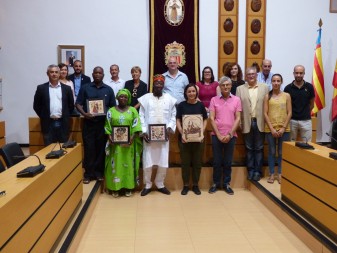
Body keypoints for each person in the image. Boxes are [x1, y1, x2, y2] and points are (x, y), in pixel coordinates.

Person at [75, 66, 116, 184]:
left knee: (100, 149)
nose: (98, 75)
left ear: (103, 75)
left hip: (103, 124)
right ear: (92, 74)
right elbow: (78, 104)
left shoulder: (108, 90)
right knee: (89, 149)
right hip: (89, 124)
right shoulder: (85, 88)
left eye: (100, 73)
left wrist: (106, 112)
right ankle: (88, 174)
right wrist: (84, 114)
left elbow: (113, 107)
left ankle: (99, 173)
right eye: (96, 73)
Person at [138, 74, 177, 196]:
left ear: (163, 85)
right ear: (153, 84)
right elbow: (141, 116)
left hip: (163, 137)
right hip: (149, 136)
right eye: (156, 83)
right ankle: (148, 184)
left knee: (163, 160)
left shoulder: (170, 99)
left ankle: (160, 184)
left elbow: (173, 116)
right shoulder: (146, 99)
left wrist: (169, 129)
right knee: (147, 160)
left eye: (161, 83)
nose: (158, 85)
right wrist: (144, 131)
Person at [104, 89, 142, 197]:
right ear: (117, 98)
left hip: (129, 144)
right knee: (115, 165)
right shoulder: (111, 111)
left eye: (125, 97)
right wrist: (109, 136)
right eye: (121, 96)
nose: (123, 98)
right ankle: (115, 188)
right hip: (115, 146)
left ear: (128, 98)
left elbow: (136, 125)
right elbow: (107, 126)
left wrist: (132, 137)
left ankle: (128, 187)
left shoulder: (133, 111)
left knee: (129, 165)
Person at [208, 76, 241, 195]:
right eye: (223, 85)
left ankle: (226, 184)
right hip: (216, 135)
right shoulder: (214, 100)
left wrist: (230, 134)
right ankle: (216, 183)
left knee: (228, 161)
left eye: (228, 85)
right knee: (217, 161)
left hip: (231, 136)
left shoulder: (236, 100)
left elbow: (238, 118)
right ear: (220, 87)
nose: (226, 87)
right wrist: (218, 135)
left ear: (231, 86)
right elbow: (211, 118)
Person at [236, 67, 269, 181]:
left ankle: (257, 172)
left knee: (259, 148)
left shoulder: (264, 87)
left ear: (256, 75)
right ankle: (250, 170)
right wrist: (239, 121)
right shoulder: (240, 89)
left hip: (259, 121)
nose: (251, 76)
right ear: (245, 76)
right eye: (249, 74)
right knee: (249, 148)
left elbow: (267, 105)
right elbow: (238, 107)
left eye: (253, 74)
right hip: (246, 122)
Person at [176, 84, 208, 195]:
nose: (191, 93)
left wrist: (202, 133)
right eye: (189, 91)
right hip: (184, 140)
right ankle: (185, 185)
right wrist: (182, 134)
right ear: (185, 93)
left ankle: (195, 185)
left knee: (197, 163)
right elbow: (178, 121)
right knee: (185, 163)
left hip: (199, 140)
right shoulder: (181, 105)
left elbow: (205, 120)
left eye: (193, 91)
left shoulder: (200, 105)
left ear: (196, 93)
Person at [33, 64, 74, 146]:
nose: (54, 74)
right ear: (47, 74)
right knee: (49, 149)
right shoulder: (41, 88)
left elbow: (71, 105)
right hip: (48, 124)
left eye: (56, 72)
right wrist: (44, 116)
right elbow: (36, 106)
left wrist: (66, 115)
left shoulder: (67, 89)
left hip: (63, 123)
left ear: (59, 74)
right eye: (51, 72)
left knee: (64, 149)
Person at [264, 74, 292, 184]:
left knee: (281, 152)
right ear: (271, 82)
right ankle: (271, 174)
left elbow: (289, 112)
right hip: (270, 129)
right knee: (271, 151)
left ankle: (280, 174)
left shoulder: (287, 95)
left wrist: (283, 128)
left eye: (278, 81)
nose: (276, 83)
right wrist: (271, 128)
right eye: (274, 81)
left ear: (281, 82)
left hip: (284, 129)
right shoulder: (267, 96)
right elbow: (265, 113)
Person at [284, 65, 315, 142]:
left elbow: (312, 104)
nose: (298, 75)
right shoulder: (288, 88)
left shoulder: (309, 87)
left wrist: (304, 112)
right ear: (293, 73)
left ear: (304, 74)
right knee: (291, 144)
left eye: (301, 73)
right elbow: (286, 106)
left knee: (307, 144)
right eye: (296, 73)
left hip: (306, 121)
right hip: (292, 120)